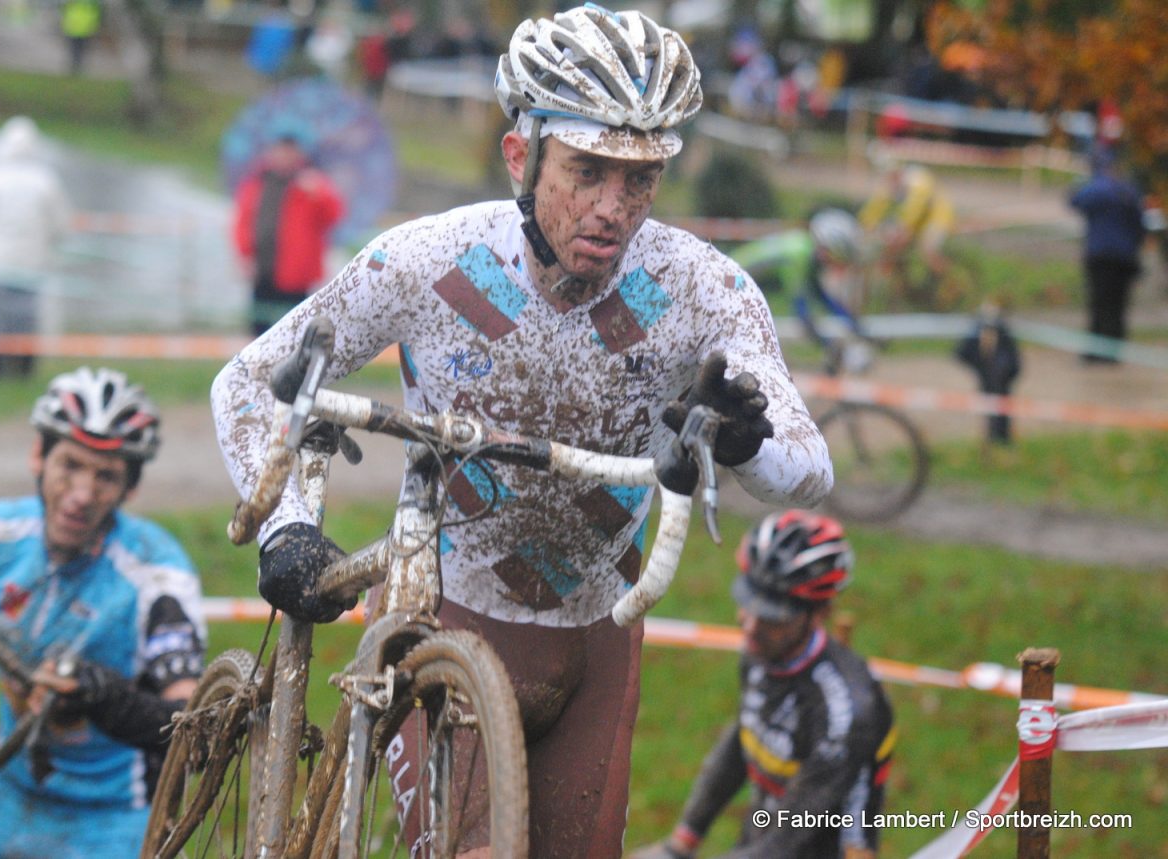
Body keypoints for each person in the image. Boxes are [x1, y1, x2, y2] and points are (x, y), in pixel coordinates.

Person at [210, 6, 831, 857]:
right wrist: (283, 526)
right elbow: (247, 379)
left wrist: (742, 439)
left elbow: (811, 471)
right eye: (586, 170)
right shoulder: (429, 262)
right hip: (446, 621)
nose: (614, 208)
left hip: (597, 639)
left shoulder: (697, 288)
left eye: (640, 179)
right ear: (520, 155)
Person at [0, 368, 206, 858]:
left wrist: (104, 697)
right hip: (9, 791)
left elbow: (195, 726)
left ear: (129, 490)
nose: (81, 494)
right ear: (38, 457)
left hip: (116, 815)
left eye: (106, 476)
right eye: (70, 466)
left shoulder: (156, 577)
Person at [632, 510, 895, 859]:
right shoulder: (766, 650)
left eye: (772, 614)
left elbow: (790, 837)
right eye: (748, 603)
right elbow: (741, 742)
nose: (750, 626)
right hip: (761, 836)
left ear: (819, 614)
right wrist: (681, 843)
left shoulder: (843, 711)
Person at [0, 116, 73, 380]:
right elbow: (62, 226)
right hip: (33, 266)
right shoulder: (46, 180)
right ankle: (23, 372)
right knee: (27, 321)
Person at [231, 132, 346, 336]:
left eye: (290, 151)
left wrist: (318, 193)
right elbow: (242, 223)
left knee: (294, 333)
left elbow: (334, 215)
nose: (284, 156)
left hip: (296, 276)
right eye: (281, 150)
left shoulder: (312, 184)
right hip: (263, 271)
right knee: (259, 332)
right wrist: (245, 255)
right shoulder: (257, 184)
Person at [731, 208, 870, 373]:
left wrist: (853, 323)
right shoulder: (799, 253)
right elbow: (802, 310)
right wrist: (828, 343)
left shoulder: (806, 248)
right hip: (730, 280)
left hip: (738, 279)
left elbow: (819, 296)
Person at [1068, 147, 1147, 364]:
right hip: (1124, 258)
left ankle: (1096, 352)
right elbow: (1140, 224)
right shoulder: (1129, 190)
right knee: (1118, 306)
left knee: (1099, 305)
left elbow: (1074, 201)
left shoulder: (1097, 188)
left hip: (1101, 256)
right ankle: (1112, 353)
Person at [857, 157, 956, 293]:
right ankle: (902, 288)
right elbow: (877, 205)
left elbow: (916, 206)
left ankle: (952, 282)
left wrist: (904, 226)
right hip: (917, 223)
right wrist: (865, 223)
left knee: (927, 250)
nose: (889, 180)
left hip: (938, 218)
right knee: (895, 247)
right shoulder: (891, 183)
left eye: (891, 176)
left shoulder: (917, 179)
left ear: (897, 171)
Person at [954, 300, 1021, 446]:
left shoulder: (1003, 334)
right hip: (987, 378)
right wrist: (979, 367)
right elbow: (960, 353)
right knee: (989, 409)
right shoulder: (976, 334)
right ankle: (991, 438)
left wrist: (1005, 373)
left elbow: (1015, 362)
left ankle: (1003, 439)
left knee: (1002, 411)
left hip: (1003, 380)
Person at [60, 0, 101, 75]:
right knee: (74, 49)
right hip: (73, 28)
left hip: (83, 29)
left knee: (81, 50)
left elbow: (94, 13)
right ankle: (74, 67)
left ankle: (78, 67)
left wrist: (93, 26)